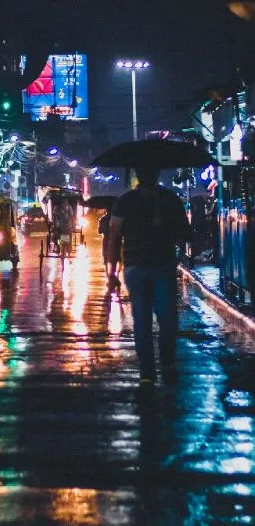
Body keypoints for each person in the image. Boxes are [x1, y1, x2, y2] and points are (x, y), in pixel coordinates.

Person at [107, 164, 192, 383]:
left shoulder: (126, 201)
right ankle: (164, 363)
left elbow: (114, 238)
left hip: (138, 267)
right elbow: (186, 233)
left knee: (143, 318)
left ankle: (148, 370)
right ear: (156, 174)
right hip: (159, 265)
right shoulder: (169, 199)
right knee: (165, 316)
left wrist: (112, 272)